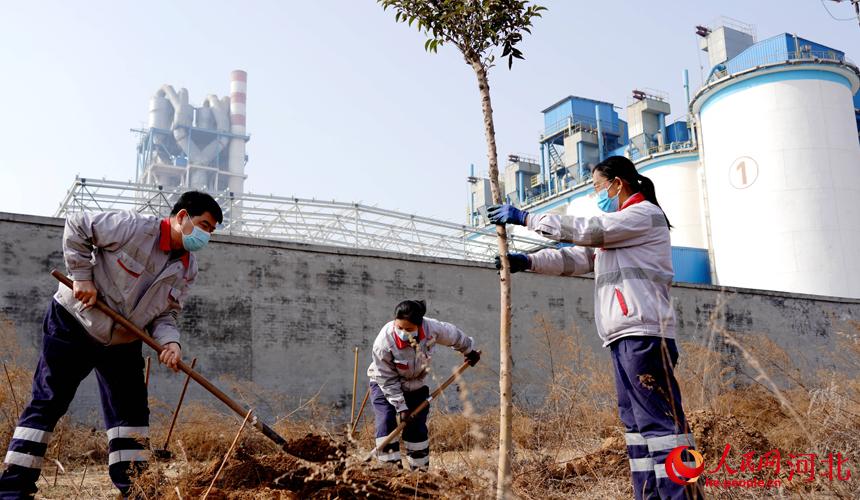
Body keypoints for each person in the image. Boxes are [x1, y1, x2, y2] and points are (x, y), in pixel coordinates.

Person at [489, 156, 703, 500]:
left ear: (618, 183)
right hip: (623, 336)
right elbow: (576, 257)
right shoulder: (618, 230)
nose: (597, 195)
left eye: (598, 187)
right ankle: (647, 495)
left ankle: (683, 495)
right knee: (635, 427)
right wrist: (527, 261)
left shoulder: (643, 215)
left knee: (663, 427)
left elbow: (589, 230)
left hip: (645, 334)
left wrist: (527, 218)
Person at [0, 191, 222, 499]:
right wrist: (82, 277)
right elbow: (78, 225)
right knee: (49, 401)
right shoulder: (133, 227)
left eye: (211, 230)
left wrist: (170, 343)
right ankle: (13, 490)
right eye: (203, 224)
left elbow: (166, 314)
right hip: (75, 323)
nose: (205, 235)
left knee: (130, 415)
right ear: (182, 217)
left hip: (122, 340)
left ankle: (135, 489)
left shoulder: (187, 268)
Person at [367, 299, 480, 470]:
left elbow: (454, 336)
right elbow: (386, 378)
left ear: (419, 325)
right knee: (386, 422)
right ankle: (389, 472)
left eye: (409, 329)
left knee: (416, 426)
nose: (403, 332)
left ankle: (419, 475)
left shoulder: (432, 329)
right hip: (385, 385)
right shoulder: (384, 342)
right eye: (400, 328)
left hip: (415, 385)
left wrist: (469, 350)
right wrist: (401, 407)